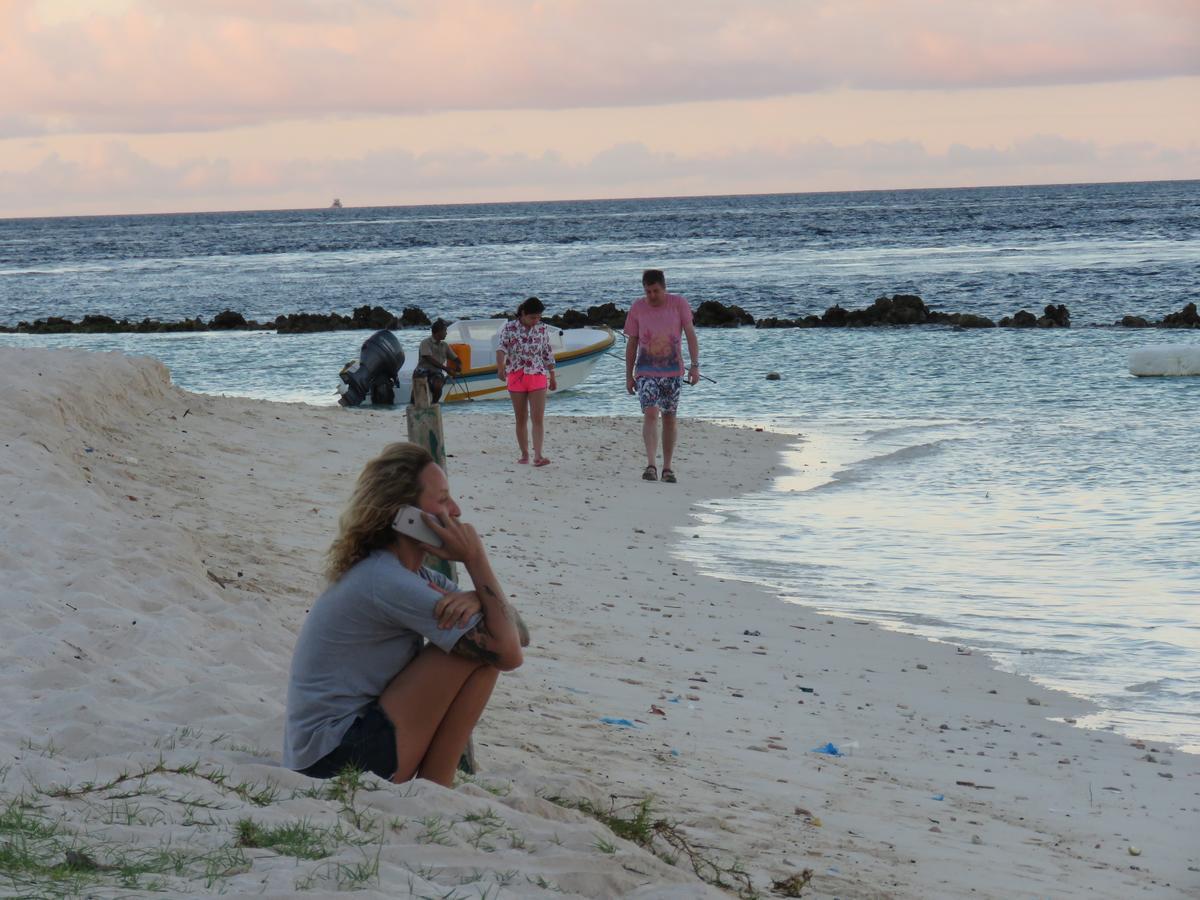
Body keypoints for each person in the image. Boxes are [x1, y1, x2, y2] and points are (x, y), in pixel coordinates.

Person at [283, 442, 528, 786]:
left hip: (330, 751)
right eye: (442, 500)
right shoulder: (385, 580)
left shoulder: (411, 574)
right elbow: (509, 651)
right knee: (480, 651)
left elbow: (518, 633)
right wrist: (476, 561)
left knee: (482, 643)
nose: (455, 511)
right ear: (404, 516)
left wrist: (477, 597)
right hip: (333, 760)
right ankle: (436, 785)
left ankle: (436, 787)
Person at [623, 269, 700, 483]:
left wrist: (695, 366)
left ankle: (667, 467)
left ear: (664, 288)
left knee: (669, 416)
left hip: (673, 371)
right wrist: (628, 375)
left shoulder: (679, 304)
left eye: (655, 291)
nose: (652, 296)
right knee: (650, 413)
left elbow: (691, 335)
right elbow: (632, 343)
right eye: (648, 291)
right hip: (646, 371)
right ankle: (651, 465)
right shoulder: (638, 307)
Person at [496, 297, 557, 466]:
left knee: (538, 418)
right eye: (532, 317)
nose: (535, 321)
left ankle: (538, 455)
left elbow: (547, 353)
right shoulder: (509, 328)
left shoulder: (542, 329)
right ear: (523, 313)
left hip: (537, 374)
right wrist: (500, 368)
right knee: (521, 418)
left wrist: (552, 374)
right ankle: (524, 454)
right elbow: (501, 348)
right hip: (516, 376)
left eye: (538, 317)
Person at [411, 320, 462, 404]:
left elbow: (456, 359)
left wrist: (459, 365)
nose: (446, 333)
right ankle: (414, 402)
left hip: (436, 372)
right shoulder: (425, 343)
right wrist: (446, 369)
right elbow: (428, 358)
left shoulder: (445, 345)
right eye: (445, 331)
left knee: (438, 385)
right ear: (438, 332)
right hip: (422, 370)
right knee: (420, 385)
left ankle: (434, 404)